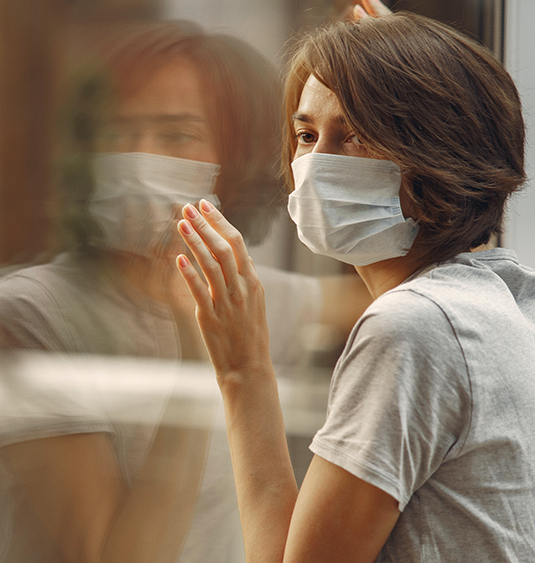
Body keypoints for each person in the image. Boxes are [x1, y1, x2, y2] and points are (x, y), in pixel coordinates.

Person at [0, 21, 371, 563]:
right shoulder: (31, 310)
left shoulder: (245, 295)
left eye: (174, 134)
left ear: (231, 162)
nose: (139, 157)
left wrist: (392, 87)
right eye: (118, 132)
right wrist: (197, 349)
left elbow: (407, 297)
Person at [175, 10, 535, 562]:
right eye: (305, 135)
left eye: (357, 136)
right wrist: (411, 66)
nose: (315, 165)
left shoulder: (413, 329)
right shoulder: (502, 304)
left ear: (438, 153)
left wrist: (242, 369)